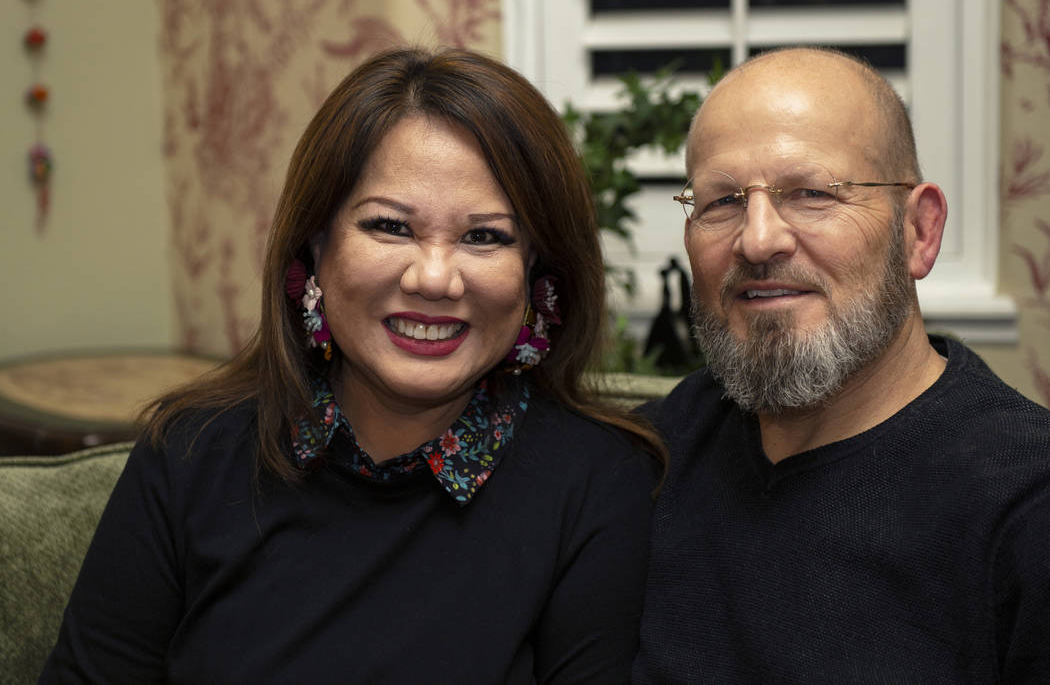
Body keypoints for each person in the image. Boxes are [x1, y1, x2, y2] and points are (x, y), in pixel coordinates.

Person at [42, 48, 663, 684]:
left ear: (536, 270)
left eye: (485, 236)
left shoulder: (598, 483)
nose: (434, 278)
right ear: (317, 244)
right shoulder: (189, 451)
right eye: (391, 226)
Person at [632, 47, 1050, 682]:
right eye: (721, 201)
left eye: (811, 193)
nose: (758, 238)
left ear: (919, 232)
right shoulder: (649, 459)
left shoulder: (1025, 505)